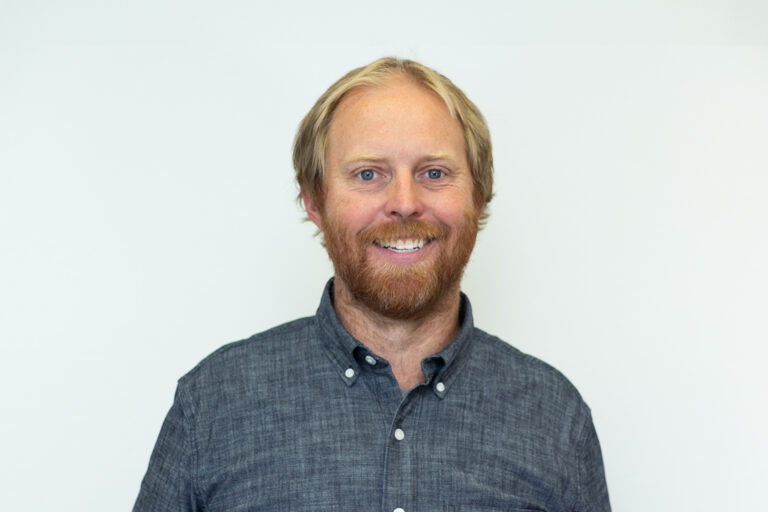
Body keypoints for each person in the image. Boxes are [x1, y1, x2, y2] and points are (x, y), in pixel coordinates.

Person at [133, 57, 611, 512]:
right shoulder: (213, 403)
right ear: (314, 201)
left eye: (434, 173)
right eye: (368, 174)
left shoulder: (556, 418)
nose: (404, 202)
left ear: (479, 197)